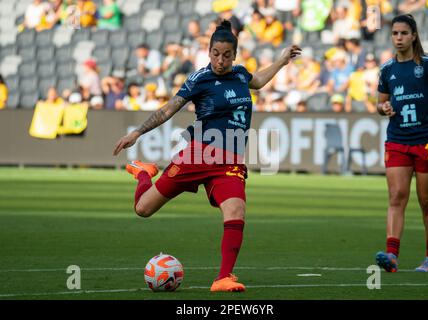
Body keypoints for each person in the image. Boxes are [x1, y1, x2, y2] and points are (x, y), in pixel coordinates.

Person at [112, 20, 301, 292]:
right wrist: (137, 132)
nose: (220, 60)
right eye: (215, 53)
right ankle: (143, 172)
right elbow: (168, 110)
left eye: (226, 54)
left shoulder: (240, 75)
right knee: (143, 209)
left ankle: (223, 278)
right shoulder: (200, 79)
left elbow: (257, 80)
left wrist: (282, 61)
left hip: (231, 158)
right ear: (209, 51)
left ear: (234, 55)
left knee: (236, 209)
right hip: (199, 154)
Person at [375, 14, 428, 273]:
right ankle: (392, 254)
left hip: (426, 140)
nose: (398, 38)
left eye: (403, 33)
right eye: (395, 33)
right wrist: (383, 107)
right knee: (396, 197)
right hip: (397, 140)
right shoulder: (387, 69)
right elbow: (379, 103)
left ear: (414, 35)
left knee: (427, 201)